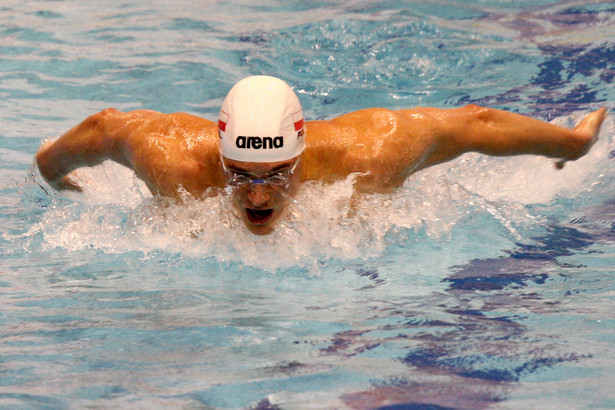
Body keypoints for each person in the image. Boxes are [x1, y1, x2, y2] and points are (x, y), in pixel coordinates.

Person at [35, 75, 607, 235]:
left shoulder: (373, 152)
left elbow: (474, 125)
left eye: (276, 175)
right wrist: (53, 175)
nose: (257, 196)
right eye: (239, 175)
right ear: (218, 149)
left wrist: (574, 143)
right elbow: (101, 129)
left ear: (302, 149)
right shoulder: (171, 160)